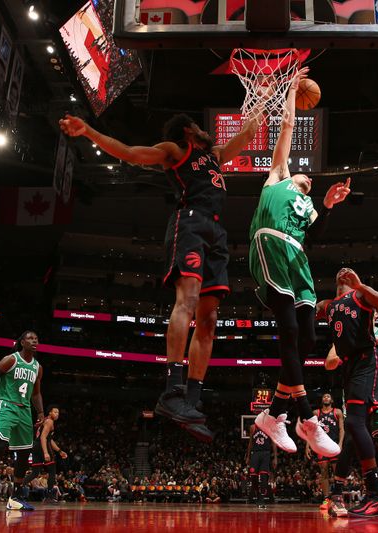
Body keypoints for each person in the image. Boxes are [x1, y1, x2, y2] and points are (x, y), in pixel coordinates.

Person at [60, 107, 262, 443]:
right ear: (187, 131)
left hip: (216, 231)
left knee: (209, 320)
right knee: (189, 300)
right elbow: (130, 154)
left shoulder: (214, 155)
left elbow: (249, 134)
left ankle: (191, 403)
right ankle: (171, 391)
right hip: (191, 223)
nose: (204, 128)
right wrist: (89, 133)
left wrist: (265, 96)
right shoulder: (175, 151)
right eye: (198, 124)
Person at [250, 69, 349, 459]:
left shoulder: (308, 206)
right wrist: (290, 90)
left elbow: (317, 235)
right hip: (271, 247)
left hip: (299, 260)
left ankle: (274, 413)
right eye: (304, 175)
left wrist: (327, 206)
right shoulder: (278, 177)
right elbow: (287, 128)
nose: (307, 178)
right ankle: (307, 418)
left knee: (306, 339)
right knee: (289, 330)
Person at [316, 267, 378, 517]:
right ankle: (355, 493)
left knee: (353, 422)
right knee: (355, 427)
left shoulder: (360, 296)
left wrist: (361, 285)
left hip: (367, 358)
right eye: (339, 271)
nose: (343, 270)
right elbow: (304, 309)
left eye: (348, 271)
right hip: (350, 365)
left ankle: (377, 494)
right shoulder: (328, 305)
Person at [0, 330, 44, 511]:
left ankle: (15, 498)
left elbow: (35, 393)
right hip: (6, 406)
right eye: (30, 338)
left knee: (23, 454)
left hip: (25, 410)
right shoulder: (11, 359)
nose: (34, 340)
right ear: (22, 342)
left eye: (36, 338)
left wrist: (41, 413)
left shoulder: (37, 367)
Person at [305, 393, 344, 509]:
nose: (326, 397)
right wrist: (308, 445)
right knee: (324, 472)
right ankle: (326, 498)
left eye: (328, 396)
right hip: (321, 446)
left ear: (331, 400)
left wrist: (340, 443)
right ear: (322, 400)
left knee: (337, 472)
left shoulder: (337, 412)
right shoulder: (316, 413)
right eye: (324, 396)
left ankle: (338, 496)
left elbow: (342, 429)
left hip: (334, 444)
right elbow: (310, 430)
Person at [23, 406, 68, 502]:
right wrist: (46, 452)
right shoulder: (49, 421)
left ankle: (17, 487)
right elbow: (43, 438)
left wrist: (59, 451)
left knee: (35, 472)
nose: (57, 414)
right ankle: (49, 496)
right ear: (50, 413)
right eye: (55, 412)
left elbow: (49, 439)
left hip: (36, 446)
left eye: (58, 413)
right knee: (52, 471)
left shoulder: (45, 420)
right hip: (42, 446)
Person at [245, 423, 278, 509]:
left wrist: (275, 458)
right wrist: (248, 456)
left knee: (264, 477)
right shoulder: (253, 427)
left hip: (265, 453)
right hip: (255, 454)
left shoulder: (269, 427)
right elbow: (250, 443)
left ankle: (261, 499)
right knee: (253, 477)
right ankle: (258, 494)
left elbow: (274, 443)